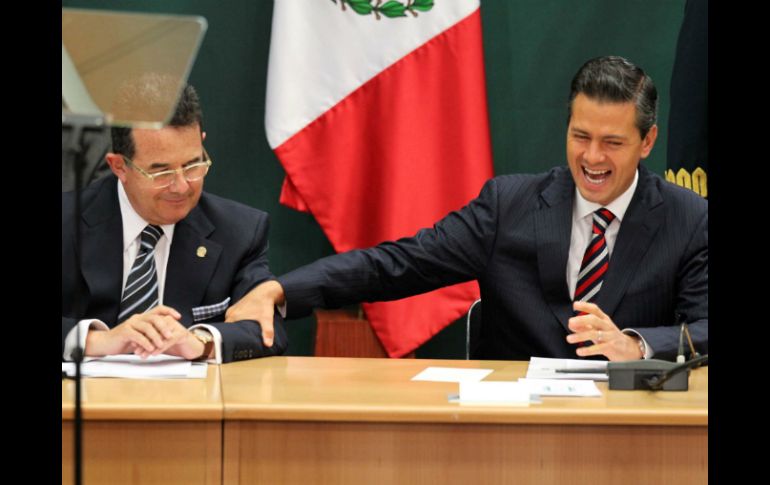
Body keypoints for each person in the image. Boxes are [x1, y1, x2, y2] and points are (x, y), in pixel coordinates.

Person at [226, 56, 707, 362]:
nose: (592, 158)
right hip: (510, 437)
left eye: (612, 143)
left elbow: (705, 328)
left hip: (632, 433)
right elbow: (397, 264)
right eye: (580, 137)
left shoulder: (689, 219)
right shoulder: (509, 206)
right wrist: (282, 290)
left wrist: (639, 345)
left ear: (647, 142)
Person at [62, 79, 287, 363]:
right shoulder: (68, 222)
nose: (181, 186)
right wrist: (99, 340)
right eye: (161, 172)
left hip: (192, 403)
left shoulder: (239, 232)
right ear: (119, 166)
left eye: (193, 165)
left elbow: (268, 330)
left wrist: (200, 342)